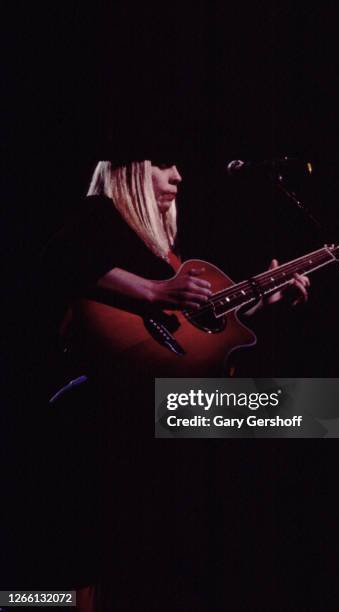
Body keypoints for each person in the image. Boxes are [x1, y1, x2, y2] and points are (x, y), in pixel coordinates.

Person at [39, 157, 310, 612]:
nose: (178, 177)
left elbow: (197, 347)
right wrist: (154, 292)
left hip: (157, 413)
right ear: (128, 171)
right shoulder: (99, 216)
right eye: (163, 165)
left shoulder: (170, 260)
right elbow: (55, 259)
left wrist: (267, 303)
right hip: (103, 402)